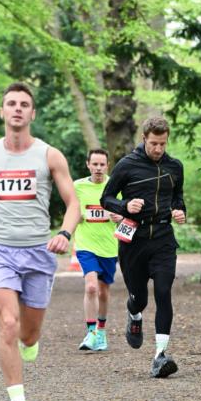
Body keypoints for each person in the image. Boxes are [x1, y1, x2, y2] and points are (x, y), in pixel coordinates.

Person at [0, 82, 80, 401]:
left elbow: (74, 203)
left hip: (38, 253)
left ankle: (31, 341)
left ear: (32, 113)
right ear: (1, 111)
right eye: (10, 103)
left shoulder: (49, 156)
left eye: (24, 104)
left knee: (28, 334)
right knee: (8, 324)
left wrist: (64, 233)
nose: (17, 109)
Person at [100, 116, 186, 379]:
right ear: (144, 139)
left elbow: (178, 197)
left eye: (162, 144)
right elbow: (106, 198)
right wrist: (125, 206)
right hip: (134, 240)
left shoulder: (175, 166)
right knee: (140, 297)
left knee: (163, 291)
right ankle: (134, 314)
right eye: (153, 144)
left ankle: (160, 355)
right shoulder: (127, 165)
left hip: (163, 237)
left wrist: (180, 210)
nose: (158, 149)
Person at [73, 148, 122, 352]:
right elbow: (70, 209)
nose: (98, 168)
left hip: (109, 246)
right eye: (95, 164)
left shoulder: (115, 186)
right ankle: (91, 332)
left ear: (107, 165)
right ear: (88, 165)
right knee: (91, 287)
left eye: (102, 164)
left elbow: (127, 211)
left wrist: (121, 217)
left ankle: (101, 332)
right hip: (86, 244)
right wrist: (77, 215)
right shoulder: (78, 186)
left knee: (103, 291)